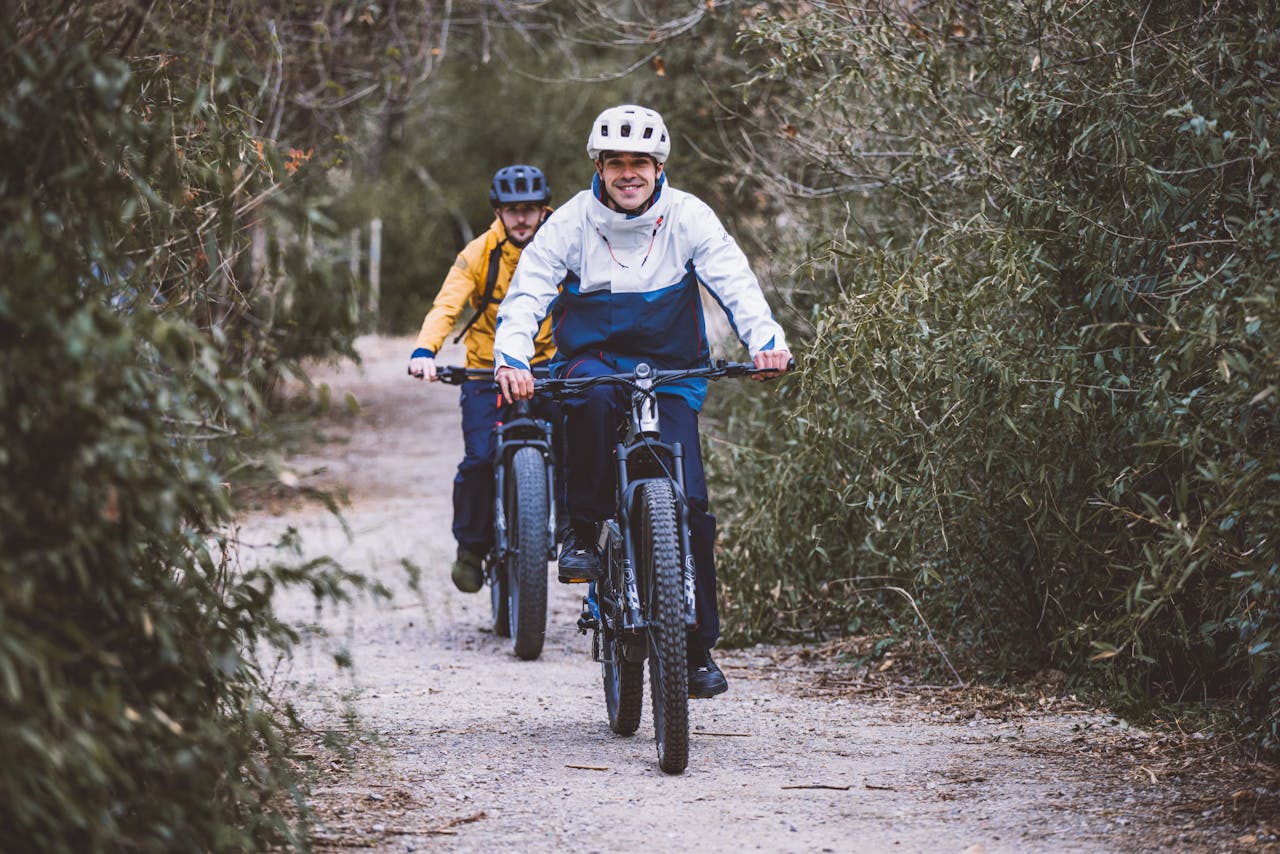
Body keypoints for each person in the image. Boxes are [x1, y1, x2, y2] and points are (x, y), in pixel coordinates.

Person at [493, 105, 791, 698]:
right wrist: (512, 357)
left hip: (670, 368)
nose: (628, 174)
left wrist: (767, 341)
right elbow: (528, 290)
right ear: (599, 167)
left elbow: (733, 279)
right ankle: (585, 531)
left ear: (659, 167)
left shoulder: (688, 217)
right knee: (593, 400)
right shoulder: (572, 222)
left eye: (640, 163)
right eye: (616, 163)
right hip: (594, 361)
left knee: (693, 506)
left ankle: (695, 648)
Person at [409, 164, 558, 593]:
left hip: (549, 370)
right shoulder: (478, 253)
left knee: (580, 446)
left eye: (530, 209)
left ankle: (577, 532)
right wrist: (425, 351)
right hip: (485, 373)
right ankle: (471, 548)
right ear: (498, 212)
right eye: (513, 211)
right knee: (478, 459)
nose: (522, 219)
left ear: (544, 209)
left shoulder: (562, 247)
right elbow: (446, 306)